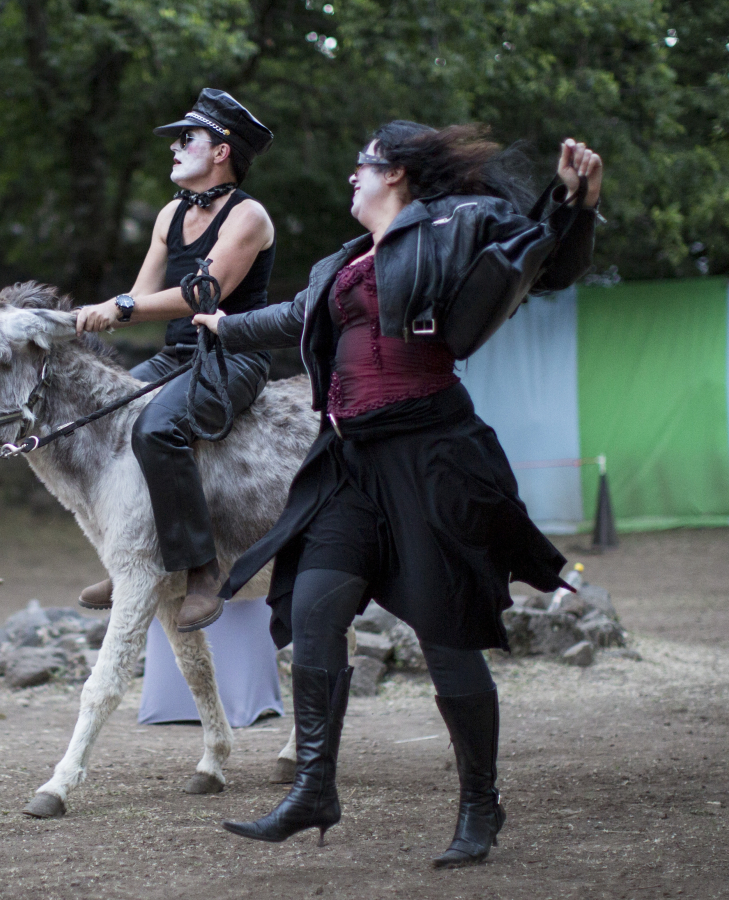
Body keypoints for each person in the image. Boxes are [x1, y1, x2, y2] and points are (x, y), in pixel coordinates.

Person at [194, 121, 603, 867]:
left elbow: (546, 264)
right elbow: (291, 319)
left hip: (432, 458)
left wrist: (574, 206)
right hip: (350, 465)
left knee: (449, 642)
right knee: (315, 612)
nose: (352, 175)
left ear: (400, 176)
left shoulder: (457, 225)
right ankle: (316, 786)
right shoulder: (342, 264)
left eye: (363, 164)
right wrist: (220, 325)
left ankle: (481, 803)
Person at [72, 89, 277, 632]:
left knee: (158, 429)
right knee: (107, 417)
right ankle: (131, 557)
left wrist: (118, 306)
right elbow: (140, 299)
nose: (175, 147)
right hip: (180, 354)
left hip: (232, 356)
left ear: (220, 151)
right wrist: (84, 318)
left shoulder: (248, 216)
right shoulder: (171, 213)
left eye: (188, 138)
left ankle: (202, 571)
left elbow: (197, 297)